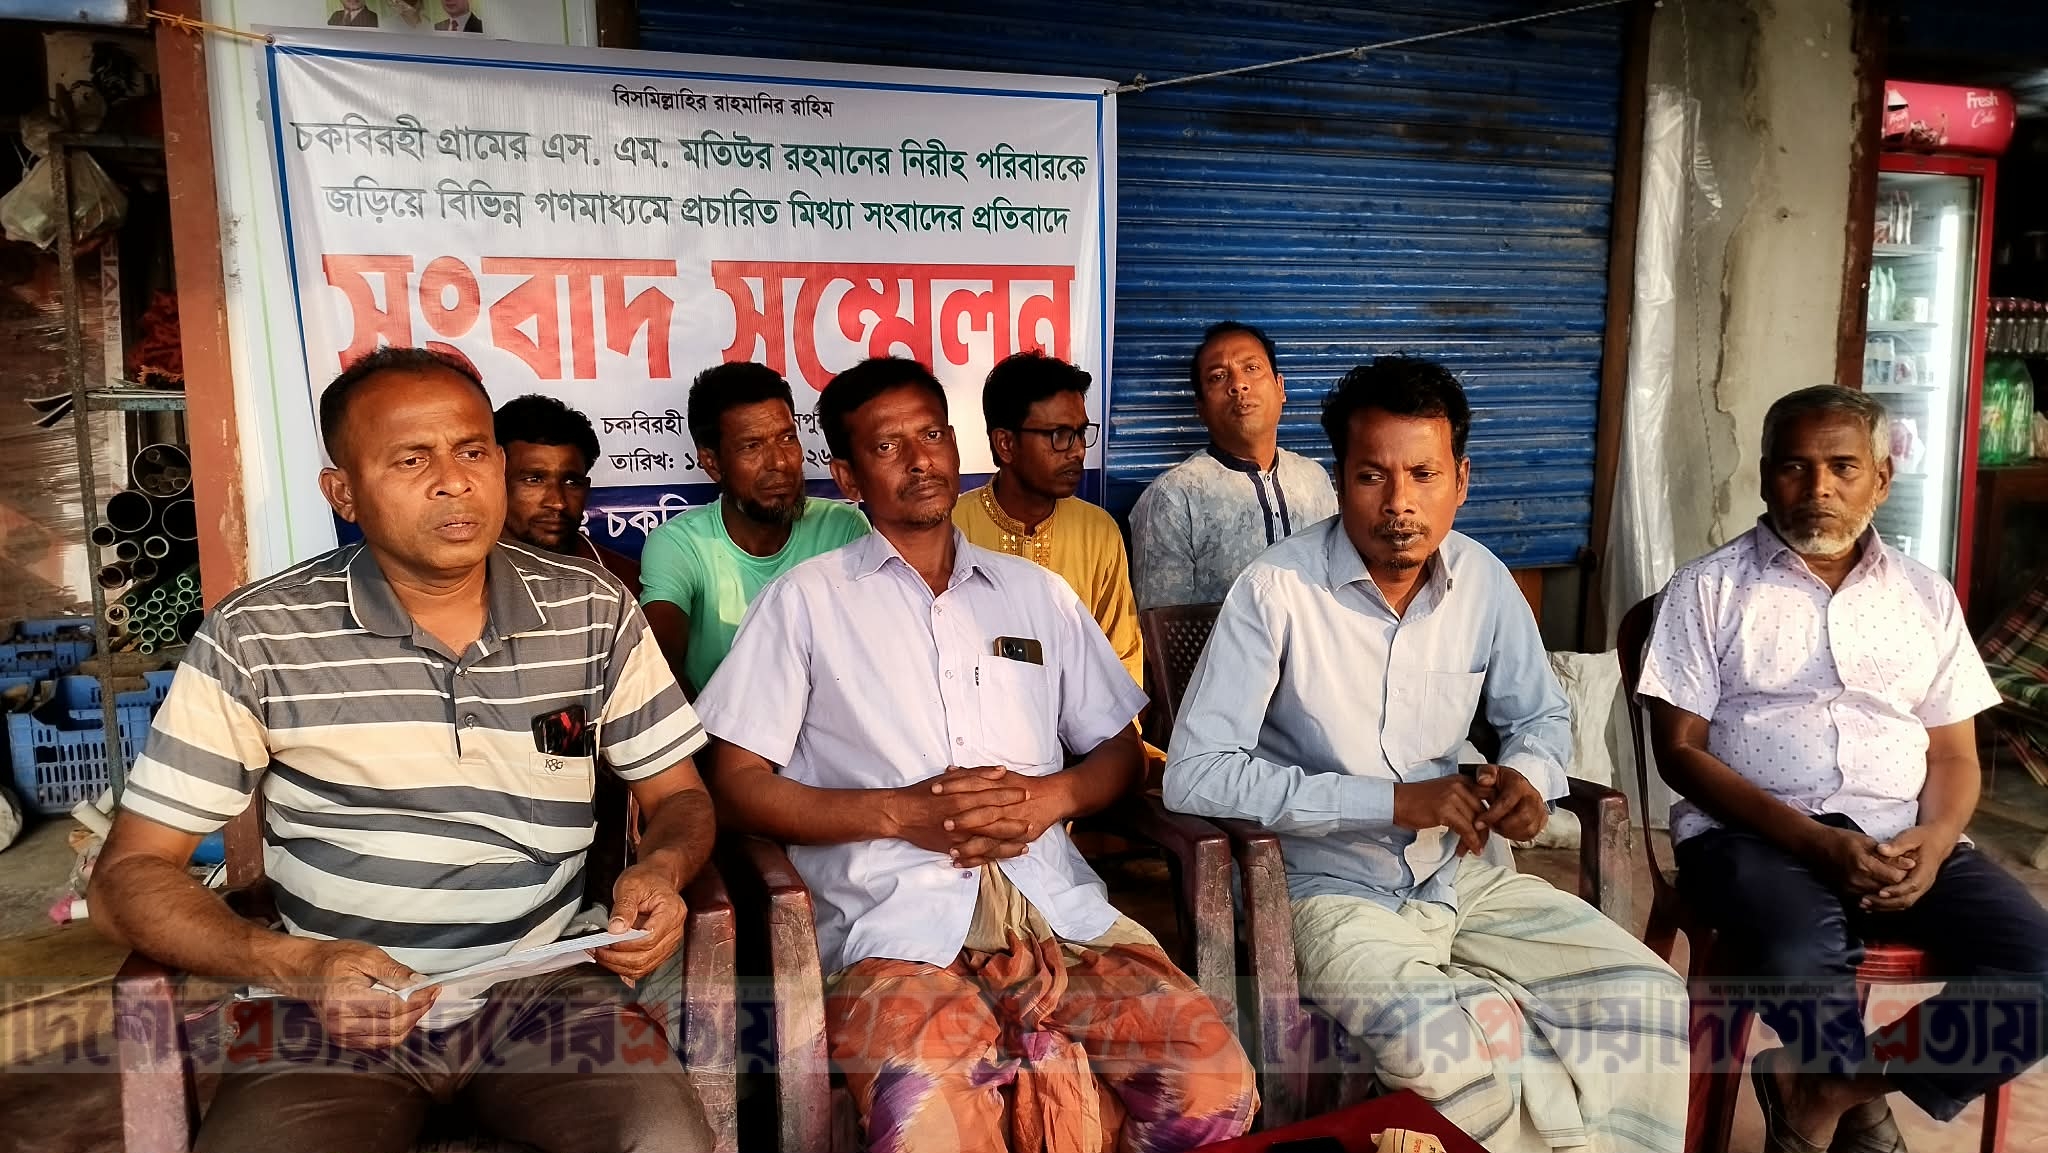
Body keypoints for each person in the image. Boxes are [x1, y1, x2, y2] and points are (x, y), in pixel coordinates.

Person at [88, 347, 716, 1153]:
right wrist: (295, 966)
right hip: (328, 1011)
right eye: (412, 459)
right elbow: (128, 877)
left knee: (664, 1141)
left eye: (473, 451)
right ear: (342, 492)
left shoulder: (592, 610)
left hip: (544, 989)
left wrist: (661, 869)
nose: (453, 481)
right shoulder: (259, 636)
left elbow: (680, 796)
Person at [696, 357, 1257, 1153]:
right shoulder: (804, 602)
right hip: (895, 934)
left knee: (1214, 1091)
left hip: (1058, 916)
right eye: (887, 446)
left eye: (931, 434)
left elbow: (1119, 750)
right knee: (930, 1131)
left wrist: (1050, 798)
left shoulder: (1037, 594)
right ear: (848, 476)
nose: (920, 459)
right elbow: (735, 785)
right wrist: (901, 814)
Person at [1165, 356, 1689, 1153]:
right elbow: (1195, 772)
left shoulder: (1482, 581)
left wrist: (1530, 777)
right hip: (1323, 890)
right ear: (1339, 481)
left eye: (1423, 474)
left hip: (1460, 876)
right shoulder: (1276, 592)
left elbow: (1539, 715)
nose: (1399, 503)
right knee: (1448, 1049)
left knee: (1647, 996)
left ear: (1461, 479)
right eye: (1372, 475)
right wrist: (1390, 801)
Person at [1639, 384, 2048, 1153]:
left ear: (1881, 479)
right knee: (1798, 951)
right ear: (1766, 477)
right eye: (1795, 465)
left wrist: (1937, 838)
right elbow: (1680, 750)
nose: (1818, 486)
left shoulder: (1925, 596)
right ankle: (1843, 1105)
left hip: (1901, 838)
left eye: (1843, 466)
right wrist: (1815, 842)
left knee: (2038, 964)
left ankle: (1827, 1089)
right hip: (1751, 839)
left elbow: (1954, 754)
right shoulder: (1709, 588)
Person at [639, 362, 869, 696]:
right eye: (752, 446)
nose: (779, 462)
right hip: (716, 726)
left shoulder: (843, 528)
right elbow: (659, 666)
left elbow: (867, 656)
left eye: (787, 438)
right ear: (712, 463)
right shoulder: (679, 544)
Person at [953, 350, 1141, 684]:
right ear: (1006, 444)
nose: (1078, 450)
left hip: (1080, 716)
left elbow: (1123, 659)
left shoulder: (1098, 531)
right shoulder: (952, 528)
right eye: (1060, 435)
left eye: (1081, 433)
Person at [1129, 321, 1337, 609]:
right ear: (1201, 409)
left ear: (1280, 387)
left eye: (1252, 368)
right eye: (1218, 376)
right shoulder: (1174, 496)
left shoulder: (1314, 479)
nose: (1239, 385)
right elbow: (1162, 626)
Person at [493, 393, 641, 595]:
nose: (558, 502)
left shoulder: (623, 583)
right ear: (495, 482)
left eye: (572, 482)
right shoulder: (458, 580)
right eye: (534, 479)